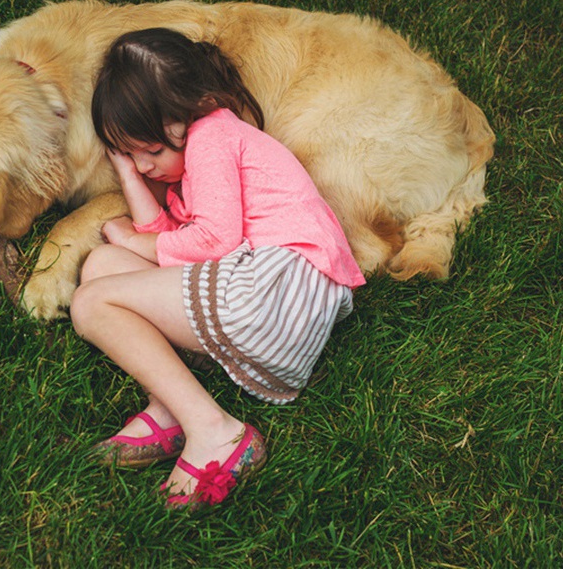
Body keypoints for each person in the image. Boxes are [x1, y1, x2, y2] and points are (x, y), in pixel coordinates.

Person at [70, 28, 366, 509]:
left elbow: (210, 242)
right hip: (282, 302)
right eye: (132, 154)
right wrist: (129, 175)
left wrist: (131, 237)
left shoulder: (212, 138)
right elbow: (171, 234)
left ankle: (216, 430)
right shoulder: (198, 151)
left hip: (275, 290)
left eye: (152, 152)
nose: (146, 166)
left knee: (90, 303)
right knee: (103, 266)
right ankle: (170, 406)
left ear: (193, 109)